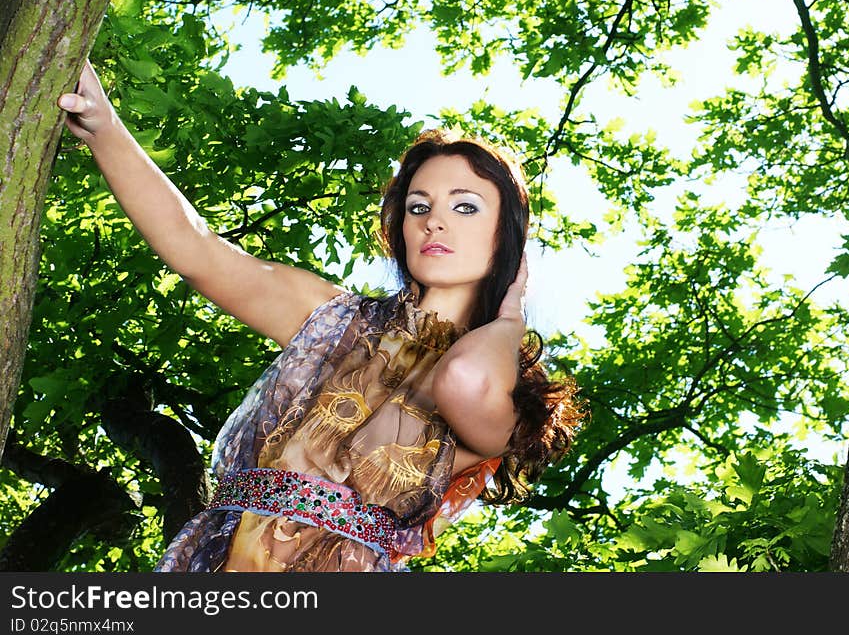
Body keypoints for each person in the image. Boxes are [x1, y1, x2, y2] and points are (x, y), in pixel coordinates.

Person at [56, 59, 583, 572]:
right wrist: (105, 129)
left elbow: (464, 377)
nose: (434, 222)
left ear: (505, 238)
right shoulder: (335, 321)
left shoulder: (508, 405)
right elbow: (198, 251)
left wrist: (509, 318)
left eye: (465, 206)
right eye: (419, 206)